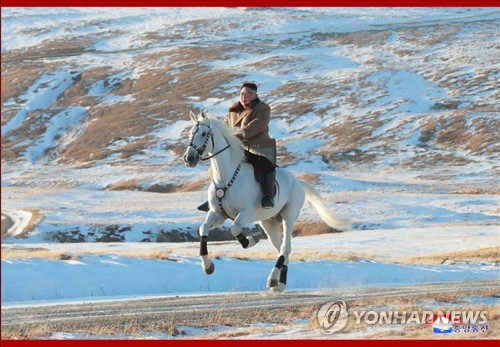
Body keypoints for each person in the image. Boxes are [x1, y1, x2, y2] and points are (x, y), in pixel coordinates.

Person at [197, 82, 276, 211]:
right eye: (242, 94)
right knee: (219, 166)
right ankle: (216, 197)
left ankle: (268, 195)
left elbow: (258, 124)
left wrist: (241, 134)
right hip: (237, 148)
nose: (244, 96)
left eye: (248, 93)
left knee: (265, 165)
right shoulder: (233, 111)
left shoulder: (263, 108)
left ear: (255, 95)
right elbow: (225, 126)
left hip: (257, 147)